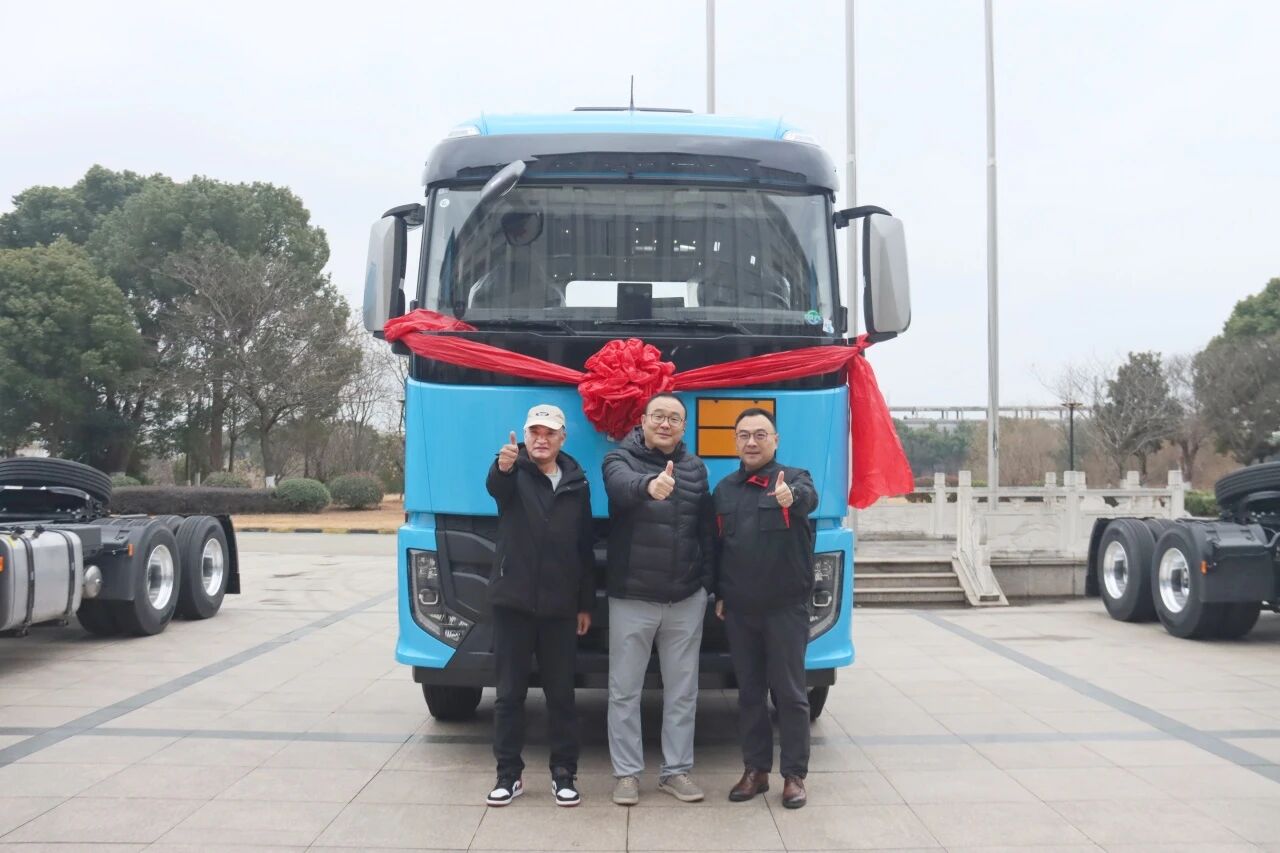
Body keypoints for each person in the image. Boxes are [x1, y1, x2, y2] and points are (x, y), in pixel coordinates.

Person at [601, 392, 714, 806]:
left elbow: (705, 531)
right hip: (632, 598)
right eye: (658, 416)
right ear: (643, 420)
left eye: (674, 418)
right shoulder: (619, 459)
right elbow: (621, 489)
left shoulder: (696, 468)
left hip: (685, 598)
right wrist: (650, 485)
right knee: (624, 692)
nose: (665, 424)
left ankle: (676, 771)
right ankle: (627, 775)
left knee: (683, 692)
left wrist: (706, 585)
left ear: (684, 427)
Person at [483, 403, 594, 808]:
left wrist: (584, 604)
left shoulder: (578, 483)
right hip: (512, 603)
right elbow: (496, 487)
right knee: (509, 695)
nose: (541, 439)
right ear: (525, 437)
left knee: (561, 696)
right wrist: (503, 468)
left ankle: (564, 774)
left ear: (562, 438)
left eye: (549, 433)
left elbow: (584, 547)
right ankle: (508, 775)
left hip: (560, 608)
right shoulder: (512, 472)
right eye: (535, 432)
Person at [713, 407, 818, 809]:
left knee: (790, 694)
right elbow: (720, 548)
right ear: (735, 442)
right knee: (750, 694)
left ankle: (794, 775)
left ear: (775, 440)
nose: (751, 442)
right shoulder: (724, 490)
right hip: (741, 610)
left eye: (760, 434)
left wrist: (793, 497)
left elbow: (807, 499)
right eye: (744, 435)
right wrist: (721, 592)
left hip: (785, 608)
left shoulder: (795, 478)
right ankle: (755, 771)